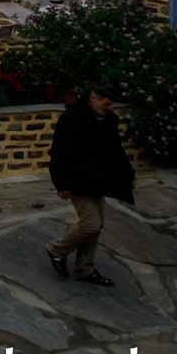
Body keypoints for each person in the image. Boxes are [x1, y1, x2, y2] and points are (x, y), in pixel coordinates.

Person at [45, 83, 134, 288]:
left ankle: (84, 268)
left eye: (109, 103)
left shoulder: (109, 119)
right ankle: (56, 250)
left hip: (98, 181)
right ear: (92, 97)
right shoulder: (72, 119)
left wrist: (127, 174)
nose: (107, 106)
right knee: (91, 223)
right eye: (103, 101)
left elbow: (115, 150)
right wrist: (61, 183)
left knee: (97, 226)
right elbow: (58, 153)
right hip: (77, 181)